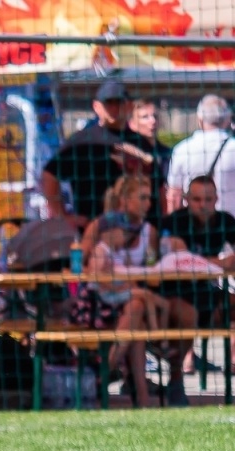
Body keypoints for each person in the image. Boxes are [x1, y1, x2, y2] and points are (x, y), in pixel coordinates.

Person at [70, 211, 163, 408]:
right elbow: (99, 282)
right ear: (109, 233)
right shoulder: (100, 251)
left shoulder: (114, 252)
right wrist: (124, 287)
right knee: (139, 307)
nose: (127, 238)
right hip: (98, 307)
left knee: (138, 320)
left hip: (114, 304)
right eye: (123, 233)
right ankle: (110, 370)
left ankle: (136, 390)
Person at [41, 77, 158, 227]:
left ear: (129, 106)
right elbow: (49, 175)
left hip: (138, 228)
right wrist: (62, 216)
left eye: (119, 102)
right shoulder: (81, 142)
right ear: (96, 106)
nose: (114, 108)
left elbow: (158, 186)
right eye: (109, 103)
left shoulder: (141, 143)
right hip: (94, 228)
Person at [162, 175, 235, 333]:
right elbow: (182, 263)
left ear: (216, 199)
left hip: (206, 290)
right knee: (189, 316)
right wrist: (220, 263)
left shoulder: (225, 221)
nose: (203, 205)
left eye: (208, 199)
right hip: (175, 291)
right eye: (197, 199)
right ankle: (177, 356)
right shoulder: (174, 222)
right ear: (187, 199)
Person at [166, 95, 235, 215]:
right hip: (230, 223)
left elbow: (174, 195)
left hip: (194, 222)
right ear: (227, 119)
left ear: (200, 119)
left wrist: (174, 225)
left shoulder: (182, 149)